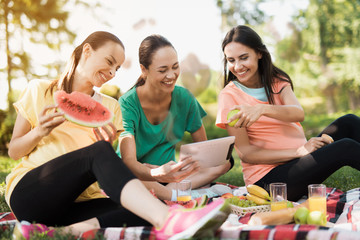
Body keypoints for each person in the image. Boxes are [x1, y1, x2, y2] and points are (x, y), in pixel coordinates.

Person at [5, 31, 230, 240]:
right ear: (87, 51)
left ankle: (49, 233)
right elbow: (14, 151)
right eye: (109, 62)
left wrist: (159, 172)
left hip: (76, 206)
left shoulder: (112, 108)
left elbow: (129, 165)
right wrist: (39, 132)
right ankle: (169, 220)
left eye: (118, 68)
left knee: (143, 208)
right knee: (99, 152)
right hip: (31, 195)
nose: (112, 73)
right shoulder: (39, 89)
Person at [216, 25, 360, 201]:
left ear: (259, 53)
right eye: (231, 60)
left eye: (243, 57)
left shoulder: (276, 81)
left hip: (299, 162)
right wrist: (298, 151)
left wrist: (262, 109)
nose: (237, 66)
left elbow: (297, 113)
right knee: (345, 147)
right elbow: (247, 154)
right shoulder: (229, 96)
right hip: (269, 182)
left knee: (349, 122)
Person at [117, 34, 233, 201]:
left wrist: (182, 168)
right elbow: (128, 161)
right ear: (144, 70)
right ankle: (179, 194)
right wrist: (155, 173)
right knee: (127, 176)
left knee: (224, 162)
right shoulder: (127, 104)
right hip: (141, 175)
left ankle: (174, 191)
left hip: (173, 176)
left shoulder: (184, 98)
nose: (171, 75)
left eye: (175, 67)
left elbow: (206, 150)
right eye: (163, 70)